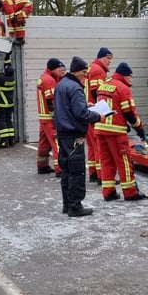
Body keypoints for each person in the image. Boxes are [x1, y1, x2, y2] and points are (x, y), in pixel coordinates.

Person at [93, 62, 148, 202]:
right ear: (124, 76)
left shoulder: (105, 84)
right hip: (116, 132)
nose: (130, 80)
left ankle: (109, 192)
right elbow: (129, 112)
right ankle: (130, 192)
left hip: (100, 129)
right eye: (130, 77)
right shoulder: (123, 88)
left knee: (106, 161)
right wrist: (140, 128)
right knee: (124, 162)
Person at [54, 56, 102, 217]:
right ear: (78, 72)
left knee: (66, 170)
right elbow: (80, 113)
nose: (86, 75)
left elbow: (68, 106)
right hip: (74, 134)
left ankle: (67, 204)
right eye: (84, 72)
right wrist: (97, 116)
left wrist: (84, 105)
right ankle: (75, 206)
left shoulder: (61, 84)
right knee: (76, 171)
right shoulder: (75, 88)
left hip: (63, 133)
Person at [85, 47, 112, 184]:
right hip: (94, 112)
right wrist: (104, 110)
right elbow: (97, 92)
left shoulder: (91, 68)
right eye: (108, 58)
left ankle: (93, 173)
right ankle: (102, 177)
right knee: (98, 146)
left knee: (91, 146)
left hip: (87, 112)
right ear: (101, 57)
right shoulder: (97, 70)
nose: (109, 62)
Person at [37, 58, 66, 175]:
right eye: (60, 68)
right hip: (49, 117)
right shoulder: (49, 80)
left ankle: (42, 165)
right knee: (57, 142)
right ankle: (60, 169)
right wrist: (57, 118)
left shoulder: (45, 77)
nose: (62, 70)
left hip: (43, 117)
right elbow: (51, 102)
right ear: (53, 69)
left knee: (44, 143)